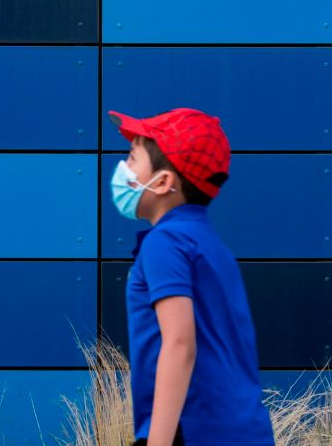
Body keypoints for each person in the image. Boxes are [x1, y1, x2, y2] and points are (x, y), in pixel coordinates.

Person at [108, 108, 271, 446]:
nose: (124, 168)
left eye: (132, 158)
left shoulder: (165, 243)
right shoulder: (211, 245)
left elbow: (180, 344)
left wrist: (157, 441)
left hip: (191, 431)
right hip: (243, 430)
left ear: (164, 181)